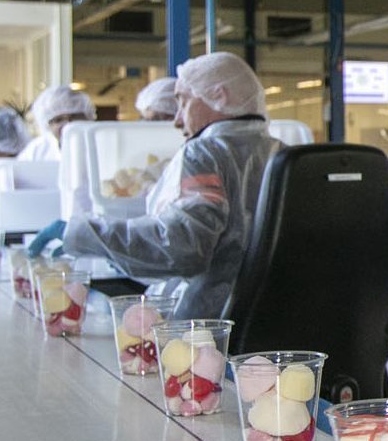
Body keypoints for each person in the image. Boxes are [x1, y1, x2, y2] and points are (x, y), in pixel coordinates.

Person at [25, 52, 283, 319]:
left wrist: (86, 233)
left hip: (205, 329)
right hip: (270, 321)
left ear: (219, 95)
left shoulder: (205, 153)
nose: (177, 120)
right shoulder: (282, 152)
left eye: (183, 102)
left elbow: (183, 246)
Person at [19, 85, 96, 162]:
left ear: (88, 118)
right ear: (47, 125)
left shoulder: (101, 146)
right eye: (58, 120)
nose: (68, 124)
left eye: (75, 117)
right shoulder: (36, 151)